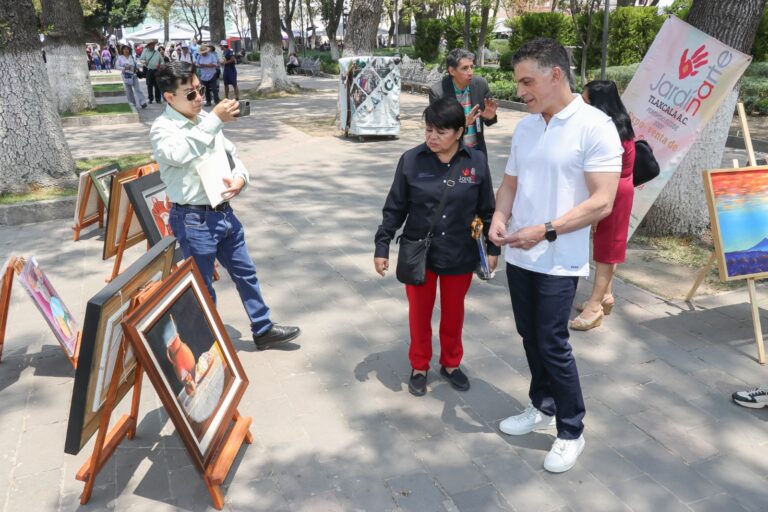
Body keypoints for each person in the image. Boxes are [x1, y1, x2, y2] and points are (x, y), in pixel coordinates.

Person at [488, 38, 622, 473]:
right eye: (518, 82)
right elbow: (510, 182)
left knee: (552, 341)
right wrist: (499, 216)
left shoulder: (595, 126)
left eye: (527, 82)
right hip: (519, 255)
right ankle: (541, 406)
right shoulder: (527, 126)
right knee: (530, 336)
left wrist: (544, 230)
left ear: (556, 74)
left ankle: (571, 429)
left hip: (558, 258)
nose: (520, 91)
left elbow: (602, 201)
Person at [150, 61, 301, 349]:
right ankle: (206, 344)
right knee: (203, 287)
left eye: (200, 90)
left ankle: (263, 327)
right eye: (190, 94)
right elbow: (180, 154)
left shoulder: (205, 118)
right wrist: (213, 120)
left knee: (246, 272)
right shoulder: (163, 129)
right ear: (169, 97)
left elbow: (232, 155)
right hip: (193, 219)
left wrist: (241, 178)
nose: (199, 99)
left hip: (223, 212)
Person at [374, 97, 500, 397]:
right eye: (428, 129)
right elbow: (394, 208)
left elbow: (488, 209)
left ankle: (451, 363)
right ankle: (419, 365)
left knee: (454, 312)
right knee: (419, 313)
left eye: (440, 131)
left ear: (459, 132)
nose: (432, 137)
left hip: (460, 252)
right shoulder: (411, 160)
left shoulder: (476, 162)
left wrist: (493, 250)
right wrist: (382, 246)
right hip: (420, 253)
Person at [569, 80, 636, 331]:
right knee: (606, 246)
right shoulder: (620, 121)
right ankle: (606, 295)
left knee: (607, 251)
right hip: (617, 189)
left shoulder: (609, 131)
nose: (583, 106)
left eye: (586, 102)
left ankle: (594, 307)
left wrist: (596, 210)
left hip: (612, 193)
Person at [428, 48, 498, 158]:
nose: (470, 72)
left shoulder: (480, 84)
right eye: (465, 68)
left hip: (477, 152)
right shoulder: (438, 92)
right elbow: (438, 128)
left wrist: (490, 117)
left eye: (471, 67)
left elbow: (489, 121)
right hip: (451, 152)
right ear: (452, 71)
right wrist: (462, 124)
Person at [116, 45, 148, 109]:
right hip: (126, 76)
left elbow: (137, 64)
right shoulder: (120, 58)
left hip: (134, 75)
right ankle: (132, 104)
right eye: (124, 49)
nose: (126, 50)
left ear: (129, 50)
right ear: (122, 50)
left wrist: (141, 64)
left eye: (127, 49)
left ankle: (143, 102)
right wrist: (124, 68)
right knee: (129, 91)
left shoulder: (132, 57)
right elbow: (117, 67)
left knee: (138, 89)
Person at [140, 39, 163, 104]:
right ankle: (150, 99)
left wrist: (160, 66)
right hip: (149, 70)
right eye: (152, 45)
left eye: (154, 45)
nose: (153, 46)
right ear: (149, 45)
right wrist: (145, 63)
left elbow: (162, 61)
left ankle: (158, 99)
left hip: (156, 71)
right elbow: (141, 59)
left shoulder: (157, 53)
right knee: (149, 85)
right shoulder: (145, 51)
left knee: (157, 85)